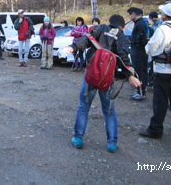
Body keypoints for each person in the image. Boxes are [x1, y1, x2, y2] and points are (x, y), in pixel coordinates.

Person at [60, 15, 141, 153]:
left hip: (91, 75)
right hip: (107, 78)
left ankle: (78, 138)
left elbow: (85, 40)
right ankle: (112, 143)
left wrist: (72, 48)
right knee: (109, 111)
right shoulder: (121, 36)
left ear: (110, 22)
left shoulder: (100, 28)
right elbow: (124, 57)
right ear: (122, 26)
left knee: (84, 107)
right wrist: (130, 76)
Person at [140, 2, 171, 139]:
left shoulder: (163, 29)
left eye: (162, 12)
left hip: (164, 71)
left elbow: (150, 49)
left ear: (165, 15)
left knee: (160, 102)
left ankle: (155, 129)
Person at [127, 7, 148, 101]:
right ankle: (141, 90)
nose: (129, 16)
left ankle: (141, 92)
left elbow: (141, 38)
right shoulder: (139, 23)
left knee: (140, 71)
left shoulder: (140, 24)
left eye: (130, 14)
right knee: (140, 70)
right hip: (138, 50)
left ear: (134, 14)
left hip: (139, 51)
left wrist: (133, 41)